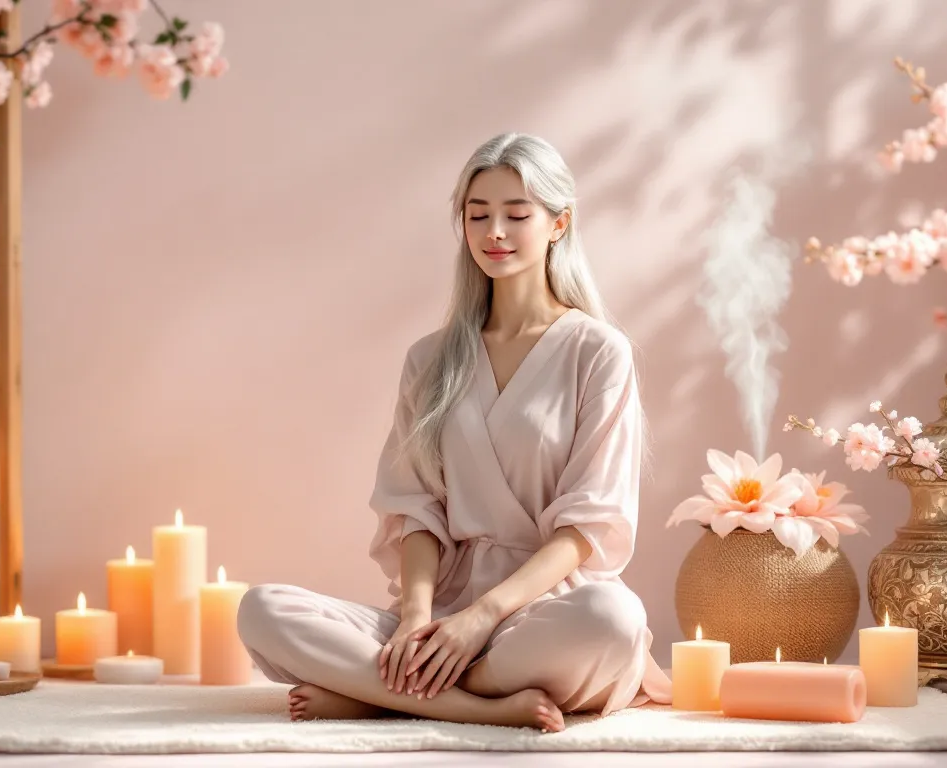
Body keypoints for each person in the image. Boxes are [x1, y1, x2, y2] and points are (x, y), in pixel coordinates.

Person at [236, 132, 672, 732]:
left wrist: (483, 620)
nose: (494, 232)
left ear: (559, 224)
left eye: (517, 215)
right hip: (441, 613)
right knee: (262, 609)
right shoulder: (431, 358)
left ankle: (381, 692)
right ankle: (478, 703)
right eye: (477, 215)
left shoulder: (598, 352)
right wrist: (418, 616)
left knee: (613, 618)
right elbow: (415, 508)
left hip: (541, 615)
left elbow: (588, 525)